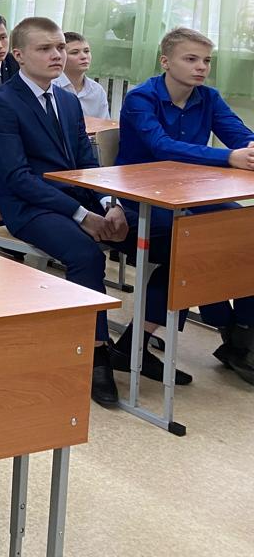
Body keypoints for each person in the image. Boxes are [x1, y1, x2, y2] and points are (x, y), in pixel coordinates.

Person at [0, 17, 188, 409]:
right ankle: (95, 354)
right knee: (86, 255)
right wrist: (82, 215)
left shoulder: (67, 100)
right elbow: (18, 178)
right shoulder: (1, 103)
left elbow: (87, 163)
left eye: (60, 47)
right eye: (45, 48)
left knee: (178, 244)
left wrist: (110, 204)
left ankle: (135, 344)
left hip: (82, 199)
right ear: (19, 55)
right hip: (31, 208)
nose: (57, 55)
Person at [116, 26, 254, 386]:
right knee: (192, 247)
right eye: (191, 59)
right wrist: (228, 157)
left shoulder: (208, 97)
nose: (201, 67)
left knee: (244, 231)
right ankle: (139, 344)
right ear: (166, 61)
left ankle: (243, 331)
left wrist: (249, 149)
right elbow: (161, 146)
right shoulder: (141, 98)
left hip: (190, 194)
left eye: (206, 60)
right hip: (140, 199)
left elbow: (240, 135)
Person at [52, 31, 111, 119]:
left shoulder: (97, 90)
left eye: (86, 51)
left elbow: (103, 124)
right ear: (60, 56)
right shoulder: (51, 87)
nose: (84, 56)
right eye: (75, 52)